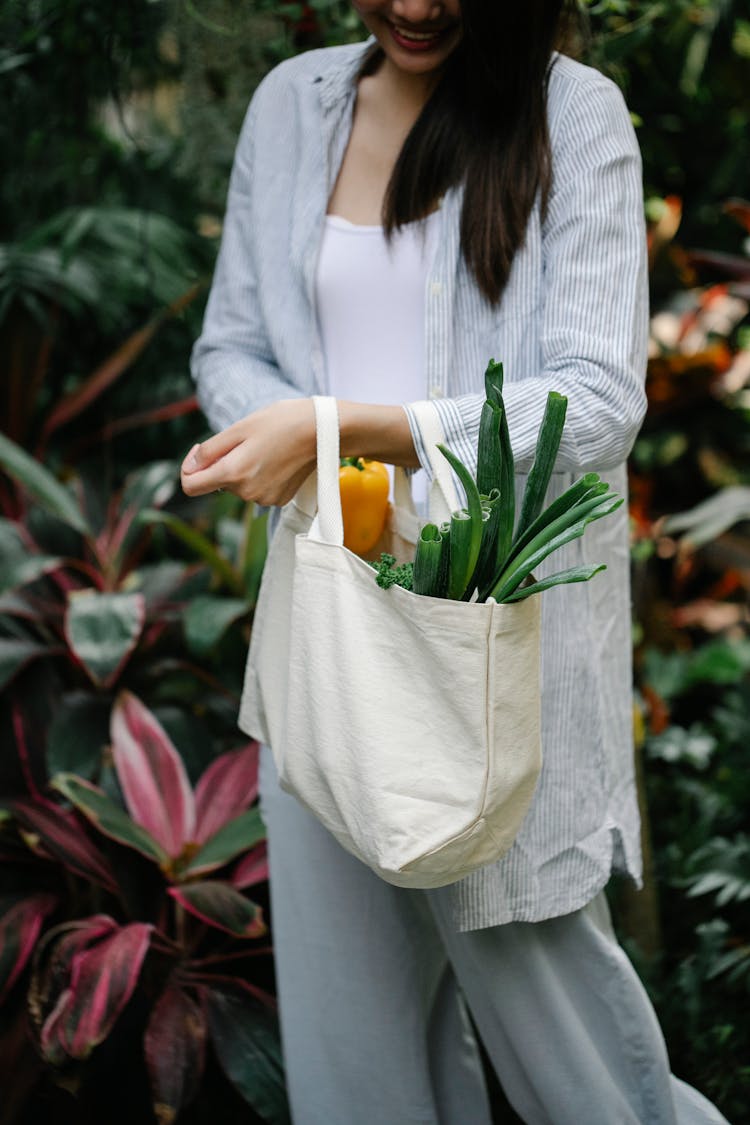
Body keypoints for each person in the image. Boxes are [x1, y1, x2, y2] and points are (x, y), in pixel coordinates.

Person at [181, 2, 730, 1122]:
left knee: (584, 1077)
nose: (420, 5)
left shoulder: (574, 119)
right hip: (329, 629)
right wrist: (275, 439)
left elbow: (598, 405)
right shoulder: (296, 106)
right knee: (354, 1068)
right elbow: (231, 344)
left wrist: (336, 429)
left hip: (489, 642)